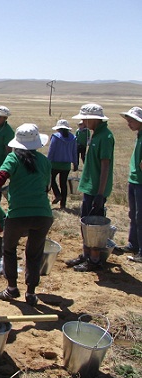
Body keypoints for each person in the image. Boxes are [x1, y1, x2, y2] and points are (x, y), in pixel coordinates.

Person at [0, 124, 53, 306]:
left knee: (9, 249)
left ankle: (12, 288)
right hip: (43, 215)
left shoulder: (13, 158)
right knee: (34, 253)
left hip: (18, 214)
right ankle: (31, 293)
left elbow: (0, 177)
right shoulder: (44, 161)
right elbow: (46, 187)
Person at [66, 103, 115, 272]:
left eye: (85, 118)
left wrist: (100, 194)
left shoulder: (106, 137)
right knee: (86, 222)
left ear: (95, 119)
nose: (83, 121)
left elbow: (105, 166)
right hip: (90, 187)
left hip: (96, 190)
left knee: (94, 225)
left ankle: (94, 260)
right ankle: (86, 254)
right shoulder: (96, 134)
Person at [118, 107, 142, 262]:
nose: (129, 124)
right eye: (128, 121)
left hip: (140, 182)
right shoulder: (139, 136)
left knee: (140, 216)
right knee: (133, 214)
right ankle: (133, 244)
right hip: (133, 179)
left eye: (131, 121)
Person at [47, 119, 78, 209]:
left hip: (55, 164)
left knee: (51, 180)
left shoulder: (56, 137)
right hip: (66, 165)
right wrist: (75, 163)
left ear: (58, 129)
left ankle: (57, 194)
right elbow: (74, 152)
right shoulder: (73, 138)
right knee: (63, 184)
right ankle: (63, 205)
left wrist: (47, 162)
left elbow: (51, 151)